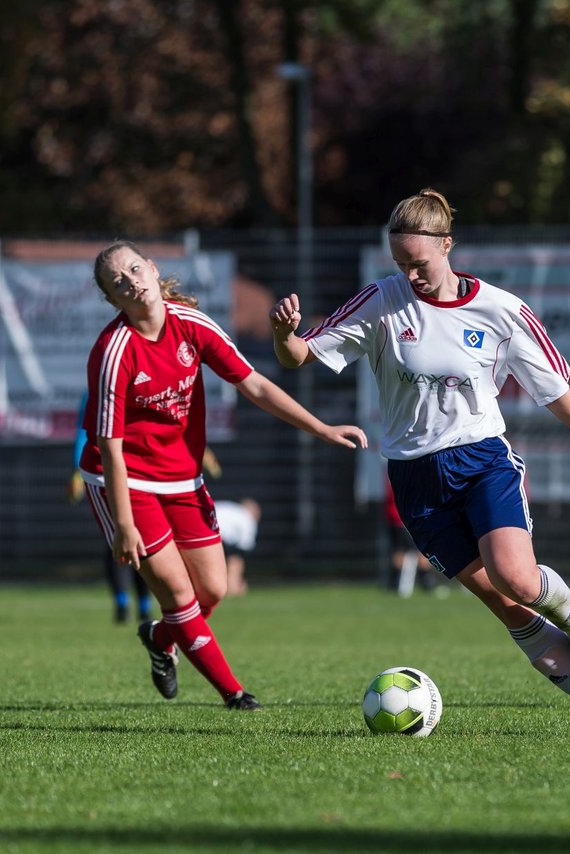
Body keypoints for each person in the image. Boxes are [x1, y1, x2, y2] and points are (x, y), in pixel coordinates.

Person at [270, 188, 570, 736]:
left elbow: (552, 388)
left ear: (447, 245)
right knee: (506, 605)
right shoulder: (381, 300)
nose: (410, 276)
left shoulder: (500, 310)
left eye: (418, 264)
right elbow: (301, 355)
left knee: (515, 575)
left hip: (481, 460)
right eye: (400, 264)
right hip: (415, 479)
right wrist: (284, 335)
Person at [80, 240, 366, 711]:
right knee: (176, 592)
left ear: (152, 269)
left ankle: (160, 636)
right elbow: (109, 445)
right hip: (125, 482)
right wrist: (124, 522)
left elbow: (253, 383)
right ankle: (234, 694)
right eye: (119, 283)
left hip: (183, 478)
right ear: (113, 300)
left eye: (135, 269)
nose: (132, 281)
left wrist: (320, 427)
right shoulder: (113, 352)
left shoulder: (190, 325)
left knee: (213, 588)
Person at [69, 390, 153, 624]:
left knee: (145, 541)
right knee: (118, 539)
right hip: (110, 475)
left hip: (142, 473)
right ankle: (123, 603)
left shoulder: (147, 385)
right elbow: (83, 433)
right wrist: (78, 470)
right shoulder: (96, 390)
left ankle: (142, 605)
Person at [212, 498, 259, 597]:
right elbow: (245, 546)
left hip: (205, 526)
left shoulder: (232, 508)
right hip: (217, 532)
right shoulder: (247, 518)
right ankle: (233, 588)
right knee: (236, 560)